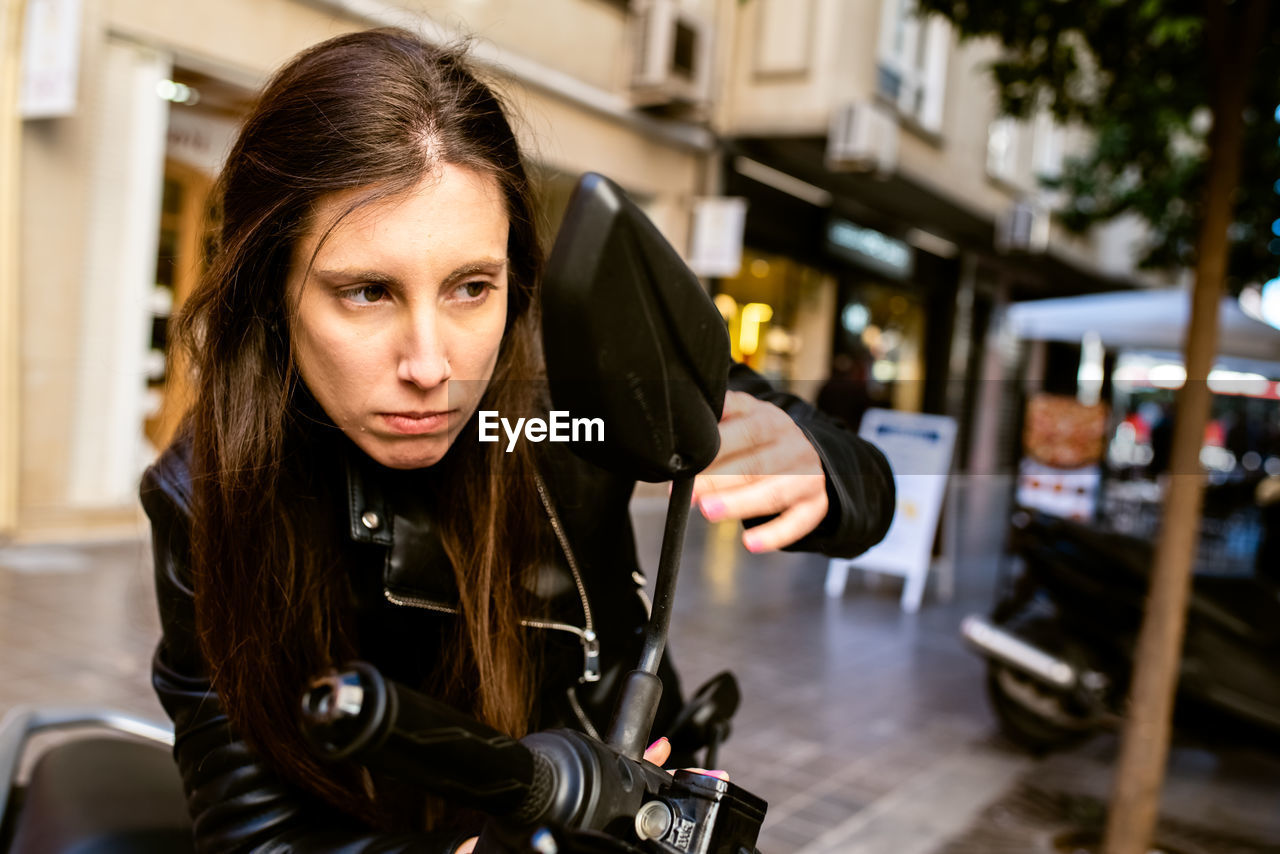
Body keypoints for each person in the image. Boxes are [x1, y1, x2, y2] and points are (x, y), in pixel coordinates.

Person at [141, 28, 895, 853]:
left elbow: (868, 486)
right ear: (272, 291)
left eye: (472, 287)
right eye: (366, 292)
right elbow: (251, 831)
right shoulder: (203, 492)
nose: (432, 365)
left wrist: (818, 465)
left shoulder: (579, 382)